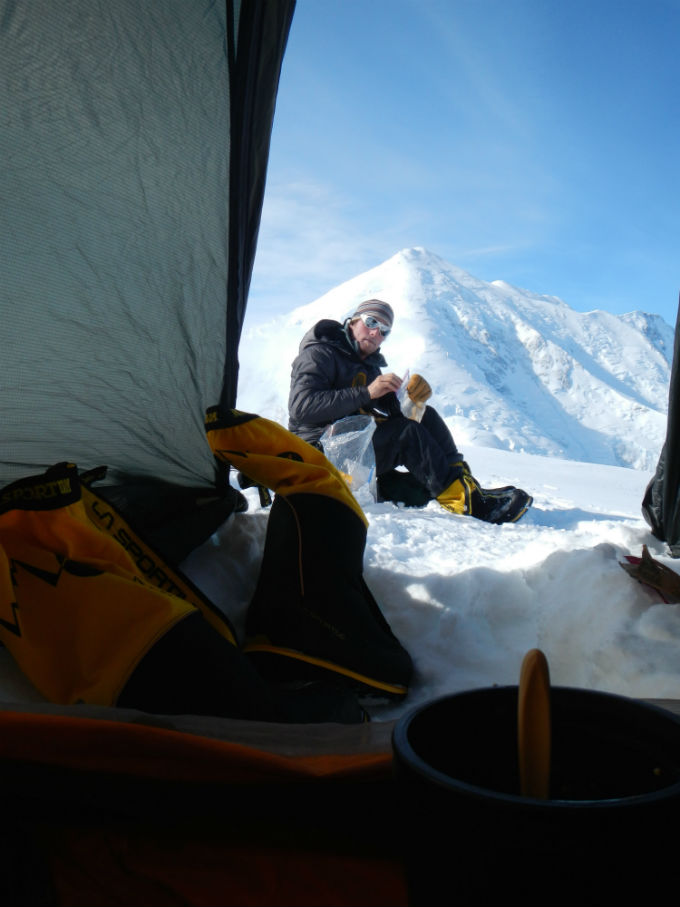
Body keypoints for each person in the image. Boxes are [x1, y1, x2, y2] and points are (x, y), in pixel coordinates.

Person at [288, 299, 532, 523]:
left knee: (427, 417)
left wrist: (406, 401)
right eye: (371, 322)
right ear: (353, 321)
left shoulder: (366, 364)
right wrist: (367, 393)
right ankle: (469, 505)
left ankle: (466, 487)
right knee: (405, 435)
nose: (376, 333)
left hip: (351, 444)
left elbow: (378, 410)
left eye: (384, 331)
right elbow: (301, 407)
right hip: (319, 451)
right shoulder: (319, 353)